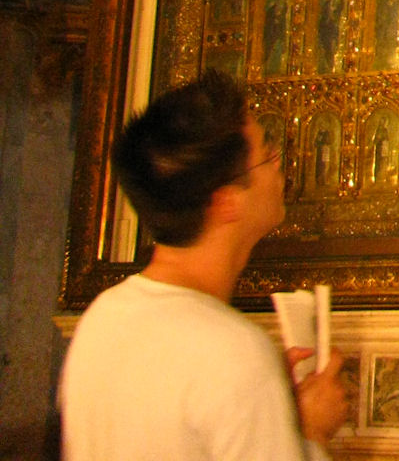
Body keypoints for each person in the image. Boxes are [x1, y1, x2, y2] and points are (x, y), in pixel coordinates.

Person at [60, 70, 350, 458]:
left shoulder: (102, 318)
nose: (278, 165)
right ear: (226, 202)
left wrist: (263, 397)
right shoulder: (233, 354)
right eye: (265, 155)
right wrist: (312, 431)